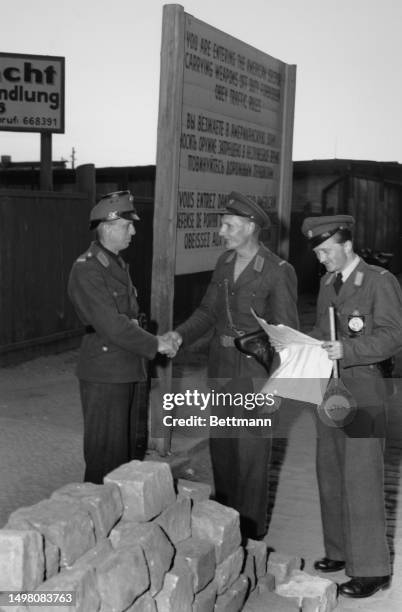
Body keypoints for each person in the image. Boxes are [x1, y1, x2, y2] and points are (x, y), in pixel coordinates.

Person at [168, 192, 299, 540]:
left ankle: (252, 536)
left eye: (228, 225)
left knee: (252, 461)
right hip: (222, 372)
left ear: (250, 227)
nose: (222, 231)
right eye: (223, 224)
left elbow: (287, 337)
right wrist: (180, 335)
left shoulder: (277, 271)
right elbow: (208, 312)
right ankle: (226, 530)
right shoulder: (225, 263)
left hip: (256, 376)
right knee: (223, 453)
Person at [301, 214, 402, 598]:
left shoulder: (379, 281)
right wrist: (298, 342)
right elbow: (321, 332)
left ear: (346, 246)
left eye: (326, 251)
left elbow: (394, 335)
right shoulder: (329, 282)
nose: (321, 258)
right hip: (331, 387)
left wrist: (350, 349)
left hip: (365, 386)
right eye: (317, 252)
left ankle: (373, 569)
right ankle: (340, 550)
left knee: (361, 477)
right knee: (330, 469)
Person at [68, 190, 176, 484]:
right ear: (108, 226)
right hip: (105, 372)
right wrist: (155, 343)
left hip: (126, 367)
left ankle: (124, 523)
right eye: (127, 225)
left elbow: (127, 320)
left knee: (127, 454)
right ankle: (97, 518)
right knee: (105, 457)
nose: (134, 230)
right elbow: (112, 324)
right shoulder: (87, 268)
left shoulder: (115, 264)